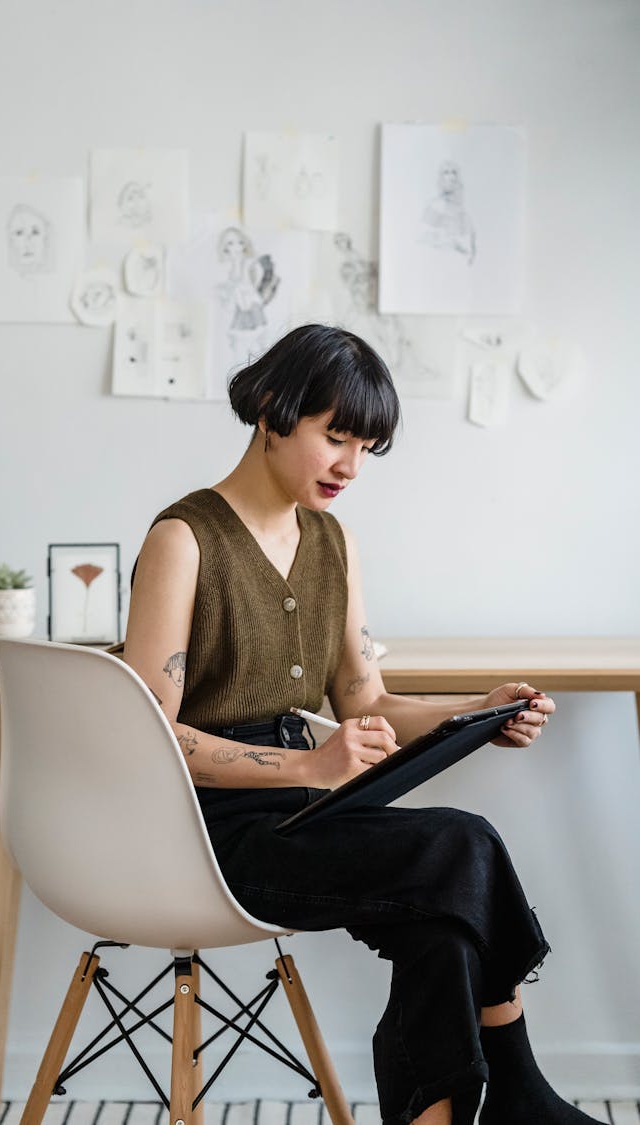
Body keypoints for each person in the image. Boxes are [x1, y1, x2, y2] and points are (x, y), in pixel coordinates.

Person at [124, 324, 603, 1125]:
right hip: (211, 835)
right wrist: (310, 768)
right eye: (334, 435)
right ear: (274, 411)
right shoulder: (184, 539)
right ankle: (519, 1092)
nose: (349, 465)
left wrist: (478, 712)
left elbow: (367, 702)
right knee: (462, 843)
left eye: (366, 445)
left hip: (313, 820)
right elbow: (148, 735)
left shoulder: (332, 541)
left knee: (442, 926)